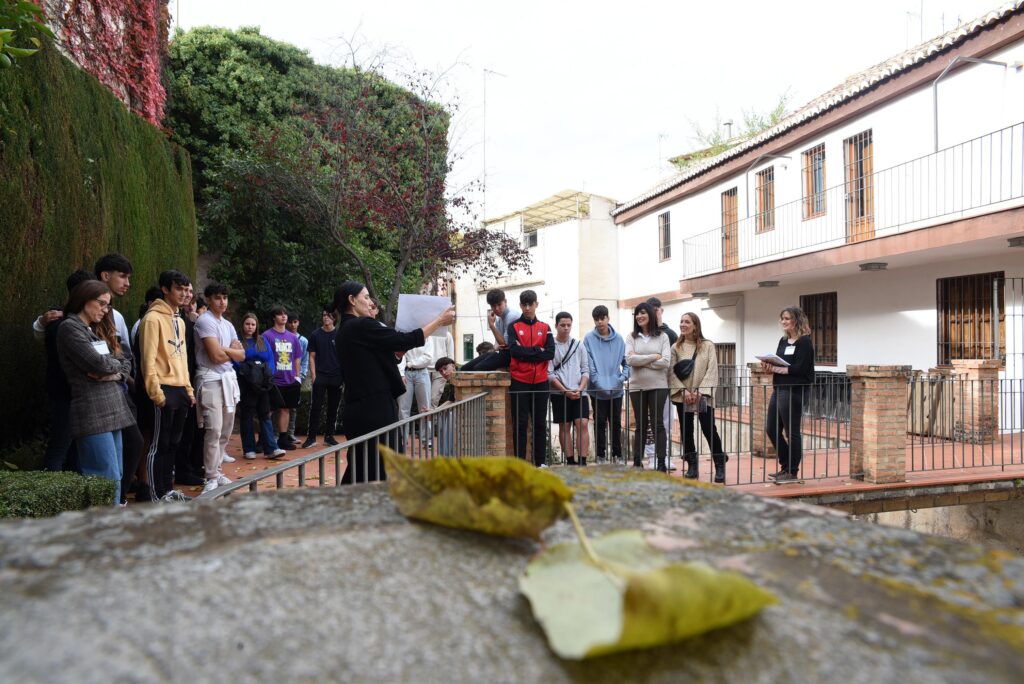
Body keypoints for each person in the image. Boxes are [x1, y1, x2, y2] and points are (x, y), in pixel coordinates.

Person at [332, 281, 455, 483]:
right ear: (352, 301)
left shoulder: (347, 329)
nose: (371, 303)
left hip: (363, 407)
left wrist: (399, 352)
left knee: (364, 467)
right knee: (376, 466)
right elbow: (405, 339)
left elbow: (383, 357)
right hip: (373, 409)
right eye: (365, 297)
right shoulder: (360, 325)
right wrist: (439, 320)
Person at [56, 281, 136, 505]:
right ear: (84, 299)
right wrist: (112, 368)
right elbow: (97, 363)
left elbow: (123, 361)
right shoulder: (69, 328)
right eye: (101, 304)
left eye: (108, 306)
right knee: (104, 476)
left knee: (116, 473)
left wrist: (115, 374)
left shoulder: (93, 328)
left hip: (112, 409)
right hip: (91, 411)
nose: (105, 310)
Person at [138, 269, 195, 502]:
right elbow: (147, 360)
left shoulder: (179, 321)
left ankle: (167, 490)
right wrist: (156, 394)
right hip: (162, 389)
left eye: (185, 289)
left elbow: (182, 359)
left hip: (180, 389)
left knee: (173, 444)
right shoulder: (152, 319)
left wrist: (189, 390)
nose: (183, 294)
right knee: (158, 445)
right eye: (178, 289)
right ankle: (155, 494)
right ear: (165, 289)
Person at [193, 283, 245, 494]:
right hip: (210, 378)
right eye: (217, 298)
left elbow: (242, 356)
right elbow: (214, 356)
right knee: (213, 429)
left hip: (227, 378)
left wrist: (227, 350)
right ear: (208, 299)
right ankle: (210, 476)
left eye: (224, 297)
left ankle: (218, 470)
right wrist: (231, 350)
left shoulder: (228, 325)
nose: (222, 301)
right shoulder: (205, 322)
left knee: (225, 429)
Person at [42, 270, 96, 472]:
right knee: (60, 448)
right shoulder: (61, 323)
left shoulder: (74, 321)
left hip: (74, 394)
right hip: (66, 393)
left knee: (74, 451)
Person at [669, 312, 729, 483]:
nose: (683, 324)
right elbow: (672, 372)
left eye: (687, 322)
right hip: (684, 396)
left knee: (709, 429)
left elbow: (712, 370)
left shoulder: (708, 346)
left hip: (703, 396)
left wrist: (700, 392)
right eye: (681, 321)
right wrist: (684, 391)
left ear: (695, 325)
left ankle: (719, 464)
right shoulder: (676, 347)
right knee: (686, 431)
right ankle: (692, 466)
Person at [762, 306, 816, 483]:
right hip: (779, 389)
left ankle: (792, 472)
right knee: (771, 428)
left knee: (791, 432)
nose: (784, 322)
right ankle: (785, 465)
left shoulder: (805, 342)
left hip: (794, 390)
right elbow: (781, 364)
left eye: (787, 318)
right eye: (782, 318)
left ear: (797, 320)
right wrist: (770, 366)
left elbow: (800, 369)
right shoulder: (783, 341)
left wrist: (778, 368)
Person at [508, 289, 555, 467]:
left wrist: (526, 352)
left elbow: (550, 353)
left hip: (541, 382)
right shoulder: (513, 327)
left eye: (531, 304)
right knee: (520, 424)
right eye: (524, 305)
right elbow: (514, 351)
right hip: (519, 382)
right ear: (520, 305)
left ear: (536, 304)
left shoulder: (545, 328)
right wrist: (538, 351)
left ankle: (540, 463)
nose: (527, 308)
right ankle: (520, 464)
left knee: (540, 424)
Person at [626, 302, 670, 471]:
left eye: (643, 312)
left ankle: (660, 462)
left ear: (651, 315)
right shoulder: (631, 337)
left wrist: (641, 360)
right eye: (637, 313)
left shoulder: (663, 337)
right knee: (641, 425)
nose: (639, 316)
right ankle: (637, 462)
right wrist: (653, 357)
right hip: (637, 387)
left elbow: (665, 361)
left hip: (658, 386)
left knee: (658, 424)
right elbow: (630, 360)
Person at [235, 313, 286, 460]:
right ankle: (249, 448)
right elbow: (235, 361)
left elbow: (270, 359)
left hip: (263, 384)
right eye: (247, 324)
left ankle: (271, 448)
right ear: (242, 325)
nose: (250, 327)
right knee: (247, 415)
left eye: (253, 324)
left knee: (265, 414)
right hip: (247, 383)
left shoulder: (262, 340)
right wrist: (247, 374)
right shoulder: (238, 341)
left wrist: (268, 376)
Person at [584, 305, 629, 464]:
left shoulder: (619, 339)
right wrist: (597, 382)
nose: (599, 322)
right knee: (599, 423)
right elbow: (590, 364)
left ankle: (617, 455)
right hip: (597, 390)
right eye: (597, 319)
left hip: (616, 389)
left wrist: (621, 378)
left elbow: (626, 362)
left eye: (602, 318)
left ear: (608, 318)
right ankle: (600, 456)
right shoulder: (589, 338)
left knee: (616, 423)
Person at [548, 312, 590, 465]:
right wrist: (565, 391)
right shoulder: (551, 346)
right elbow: (550, 373)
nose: (566, 328)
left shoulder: (579, 345)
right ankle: (570, 461)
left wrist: (580, 388)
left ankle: (583, 460)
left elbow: (586, 369)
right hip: (560, 394)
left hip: (580, 392)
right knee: (564, 426)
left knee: (582, 424)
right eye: (562, 325)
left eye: (568, 325)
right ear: (556, 326)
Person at [303, 305, 344, 449]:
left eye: (328, 315)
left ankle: (329, 436)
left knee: (333, 407)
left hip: (336, 376)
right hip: (320, 375)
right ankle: (311, 437)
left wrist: (343, 376)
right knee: (315, 407)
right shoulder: (315, 335)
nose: (325, 317)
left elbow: (344, 357)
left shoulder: (340, 335)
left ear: (334, 318)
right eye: (324, 315)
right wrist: (314, 375)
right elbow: (312, 357)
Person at [263, 306, 302, 451]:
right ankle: (264, 439)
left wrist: (297, 377)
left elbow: (297, 357)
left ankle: (283, 439)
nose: (283, 316)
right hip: (273, 379)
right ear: (274, 318)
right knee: (269, 410)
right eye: (280, 314)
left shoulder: (293, 337)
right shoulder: (267, 335)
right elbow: (265, 357)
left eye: (285, 314)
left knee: (285, 409)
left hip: (290, 379)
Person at [285, 313, 308, 444]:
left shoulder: (303, 341)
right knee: (280, 406)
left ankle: (290, 433)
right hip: (283, 376)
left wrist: (301, 376)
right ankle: (277, 434)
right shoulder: (282, 338)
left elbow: (304, 360)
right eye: (290, 322)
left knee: (293, 406)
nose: (292, 325)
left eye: (295, 322)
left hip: (296, 377)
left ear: (298, 323)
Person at [485, 288, 521, 369]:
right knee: (466, 367)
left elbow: (504, 344)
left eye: (499, 304)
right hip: (504, 353)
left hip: (513, 356)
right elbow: (498, 343)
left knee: (478, 368)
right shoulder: (498, 318)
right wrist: (491, 350)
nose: (497, 308)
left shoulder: (511, 316)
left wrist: (491, 325)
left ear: (505, 301)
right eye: (493, 306)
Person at [433, 356, 458, 455]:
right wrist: (434, 411)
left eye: (445, 368)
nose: (443, 372)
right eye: (440, 371)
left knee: (450, 417)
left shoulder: (462, 374)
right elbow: (451, 400)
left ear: (452, 365)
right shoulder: (453, 380)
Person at [427, 331, 455, 408]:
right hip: (424, 369)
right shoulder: (426, 332)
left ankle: (433, 419)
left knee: (433, 399)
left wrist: (449, 370)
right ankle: (426, 418)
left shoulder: (447, 334)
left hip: (440, 369)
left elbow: (450, 355)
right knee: (425, 402)